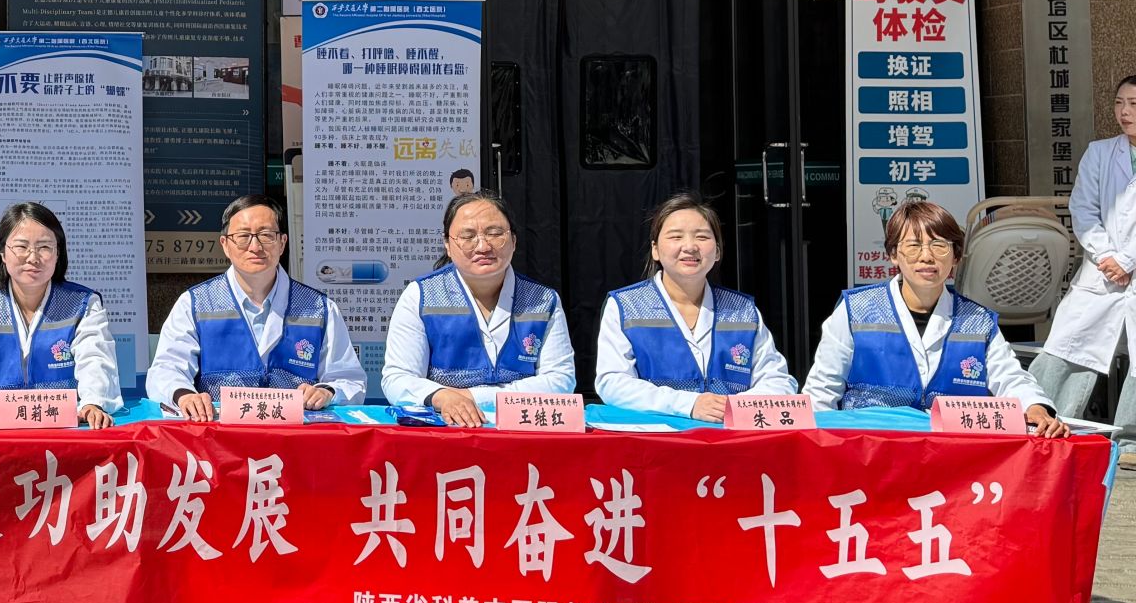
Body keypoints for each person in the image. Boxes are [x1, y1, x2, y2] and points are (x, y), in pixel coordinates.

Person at [805, 199, 1068, 435]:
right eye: (913, 245)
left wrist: (1035, 406)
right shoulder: (856, 310)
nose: (927, 257)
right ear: (893, 254)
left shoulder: (978, 320)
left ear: (956, 256)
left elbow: (1010, 376)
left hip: (952, 455)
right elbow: (822, 391)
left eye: (939, 245)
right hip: (870, 450)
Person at [146, 195, 366, 420]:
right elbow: (166, 369)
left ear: (282, 243)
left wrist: (327, 392)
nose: (255, 246)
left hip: (296, 435)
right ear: (225, 245)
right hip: (219, 434)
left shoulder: (319, 308)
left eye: (266, 235)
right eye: (243, 236)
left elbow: (349, 379)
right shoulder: (195, 303)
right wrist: (185, 396)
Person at [595, 194, 799, 420]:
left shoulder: (742, 309)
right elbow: (612, 382)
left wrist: (734, 407)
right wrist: (689, 404)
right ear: (655, 249)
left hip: (730, 435)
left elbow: (779, 380)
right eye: (676, 236)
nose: (690, 247)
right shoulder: (626, 305)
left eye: (702, 237)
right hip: (657, 436)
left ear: (718, 251)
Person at [379, 191, 574, 425]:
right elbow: (398, 378)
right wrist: (442, 397)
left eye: (494, 234)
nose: (483, 246)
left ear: (514, 240)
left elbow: (561, 380)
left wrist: (473, 397)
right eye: (467, 236)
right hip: (447, 430)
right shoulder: (420, 296)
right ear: (448, 244)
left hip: (521, 428)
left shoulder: (543, 299)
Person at [0, 202, 121, 429]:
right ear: (2, 252)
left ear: (58, 253)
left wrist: (93, 402)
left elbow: (96, 359)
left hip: (64, 428)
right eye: (21, 246)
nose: (33, 257)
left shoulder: (82, 304)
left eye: (45, 247)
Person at [1030, 76, 1136, 433]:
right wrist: (1108, 256)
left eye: (1134, 104)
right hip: (1101, 274)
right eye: (1119, 103)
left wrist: (1128, 260)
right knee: (1068, 348)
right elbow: (1083, 208)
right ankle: (1039, 426)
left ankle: (1130, 444)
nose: (1124, 112)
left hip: (1126, 270)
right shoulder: (1100, 153)